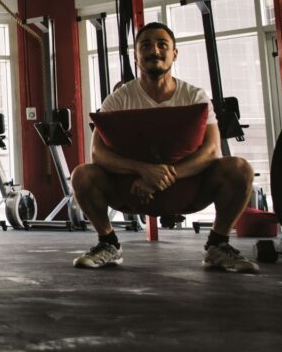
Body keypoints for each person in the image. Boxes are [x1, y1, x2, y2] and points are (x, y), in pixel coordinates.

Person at [71, 22, 258, 273]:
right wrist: (143, 170)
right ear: (137, 55)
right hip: (131, 191)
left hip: (188, 189)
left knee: (240, 168)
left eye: (162, 45)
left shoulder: (195, 96)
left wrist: (161, 177)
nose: (154, 51)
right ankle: (108, 244)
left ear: (174, 53)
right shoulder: (119, 98)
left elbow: (212, 151)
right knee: (82, 174)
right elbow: (98, 153)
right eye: (145, 45)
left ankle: (217, 245)